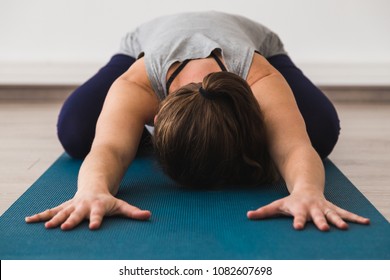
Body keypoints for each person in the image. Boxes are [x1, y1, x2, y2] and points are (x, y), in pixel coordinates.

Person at [25, 11, 370, 231]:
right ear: (156, 117)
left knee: (320, 134)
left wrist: (307, 190)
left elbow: (295, 146)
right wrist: (92, 190)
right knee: (75, 132)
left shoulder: (260, 76)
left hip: (253, 37)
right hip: (149, 38)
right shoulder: (137, 83)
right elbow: (110, 148)